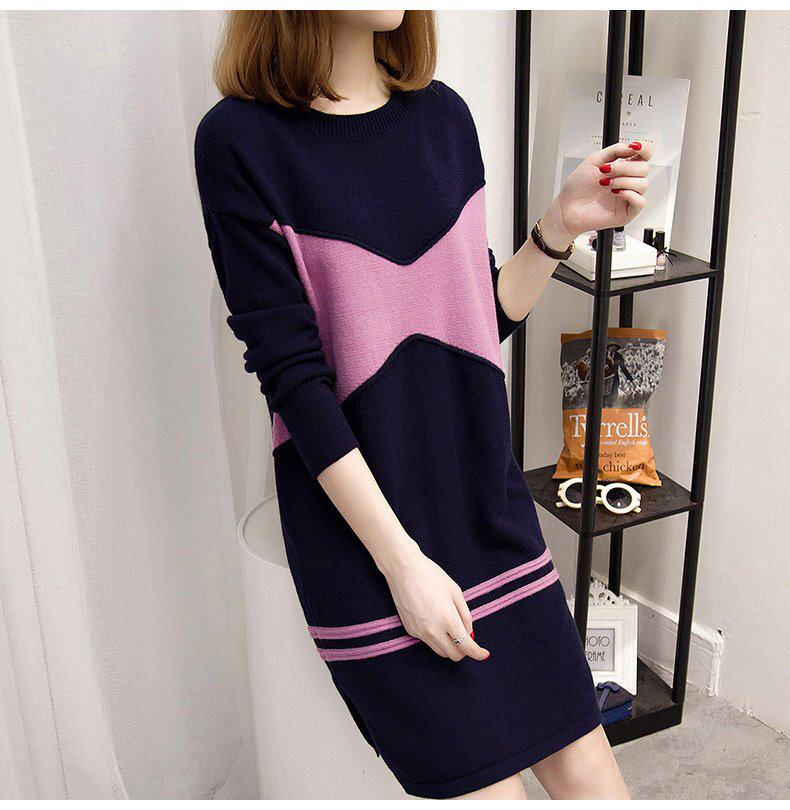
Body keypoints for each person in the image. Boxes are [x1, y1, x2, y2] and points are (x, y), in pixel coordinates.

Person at [195, 10, 651, 800]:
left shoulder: (443, 118)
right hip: (367, 544)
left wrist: (557, 229)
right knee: (491, 790)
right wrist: (403, 566)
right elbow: (296, 385)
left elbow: (473, 322)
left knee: (595, 776)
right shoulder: (239, 142)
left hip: (489, 515)